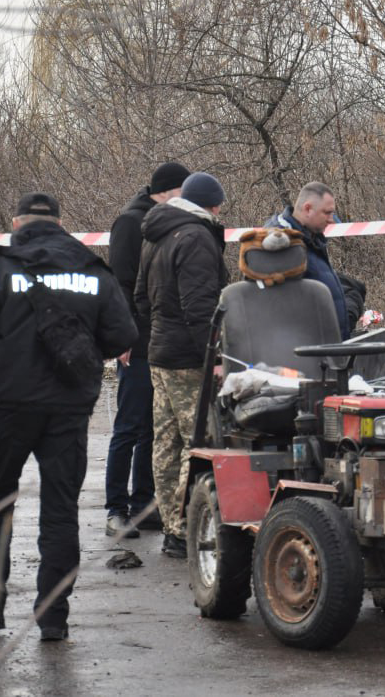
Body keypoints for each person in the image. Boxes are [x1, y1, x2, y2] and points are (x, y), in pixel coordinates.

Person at [0, 192, 137, 641]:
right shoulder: (93, 272)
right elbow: (123, 335)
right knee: (60, 512)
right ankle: (54, 616)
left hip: (7, 408)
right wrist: (83, 357)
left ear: (16, 224)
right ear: (61, 223)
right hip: (69, 411)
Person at [134, 172, 228, 558]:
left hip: (160, 354)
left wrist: (159, 332)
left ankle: (173, 527)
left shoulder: (155, 234)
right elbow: (201, 307)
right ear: (213, 205)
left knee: (166, 443)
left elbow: (141, 297)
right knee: (198, 443)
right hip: (190, 360)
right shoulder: (196, 238)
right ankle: (188, 527)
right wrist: (214, 358)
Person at [104, 162, 190, 539]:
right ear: (171, 190)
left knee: (154, 429)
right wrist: (124, 336)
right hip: (136, 341)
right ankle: (115, 509)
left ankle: (142, 504)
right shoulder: (130, 223)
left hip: (161, 341)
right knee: (129, 424)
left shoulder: (164, 222)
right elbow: (120, 284)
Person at [266, 182, 350, 339]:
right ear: (308, 209)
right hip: (305, 355)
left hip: (325, 351)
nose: (332, 220)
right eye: (327, 213)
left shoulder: (310, 239)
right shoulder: (283, 244)